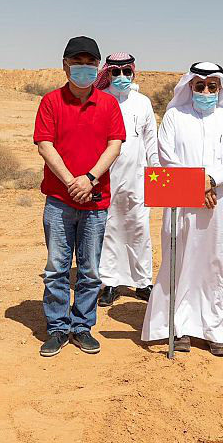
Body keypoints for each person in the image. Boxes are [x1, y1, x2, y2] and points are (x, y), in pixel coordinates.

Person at [141, 62, 223, 356]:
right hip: (182, 201)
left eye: (211, 86)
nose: (205, 91)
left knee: (218, 262)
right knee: (181, 260)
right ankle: (180, 328)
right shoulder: (175, 116)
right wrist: (195, 187)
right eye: (199, 86)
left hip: (220, 204)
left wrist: (209, 181)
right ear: (190, 87)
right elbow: (167, 156)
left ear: (220, 89)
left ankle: (217, 331)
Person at [33, 37, 125, 358]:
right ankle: (58, 327)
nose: (83, 68)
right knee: (57, 267)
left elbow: (114, 145)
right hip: (59, 200)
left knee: (90, 269)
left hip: (96, 199)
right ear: (65, 65)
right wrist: (71, 181)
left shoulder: (109, 104)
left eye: (90, 63)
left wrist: (88, 178)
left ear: (97, 67)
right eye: (77, 62)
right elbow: (45, 145)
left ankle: (82, 326)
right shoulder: (51, 102)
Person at [94, 53, 159, 307]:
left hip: (138, 177)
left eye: (126, 72)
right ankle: (109, 282)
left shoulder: (143, 103)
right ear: (108, 74)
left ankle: (143, 282)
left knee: (139, 228)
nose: (122, 77)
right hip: (107, 177)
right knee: (109, 229)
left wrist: (157, 172)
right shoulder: (99, 100)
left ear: (133, 73)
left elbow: (150, 140)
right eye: (116, 72)